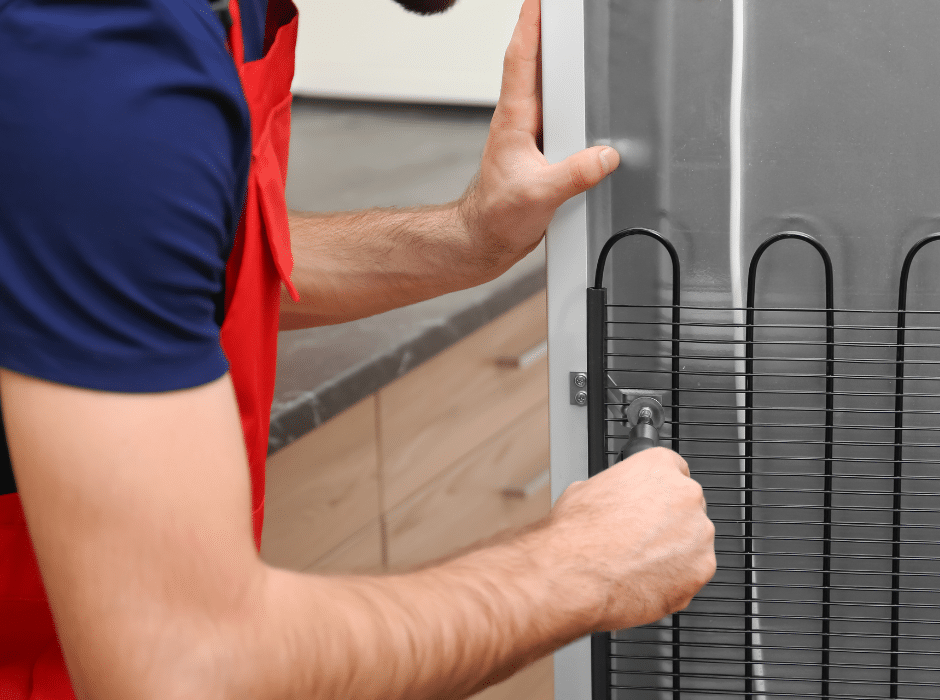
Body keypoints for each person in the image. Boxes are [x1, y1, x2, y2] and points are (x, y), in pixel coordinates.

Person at [0, 0, 717, 697]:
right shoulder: (97, 52)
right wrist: (580, 568)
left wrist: (469, 238)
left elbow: (166, 261)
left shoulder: (227, 22)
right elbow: (190, 667)